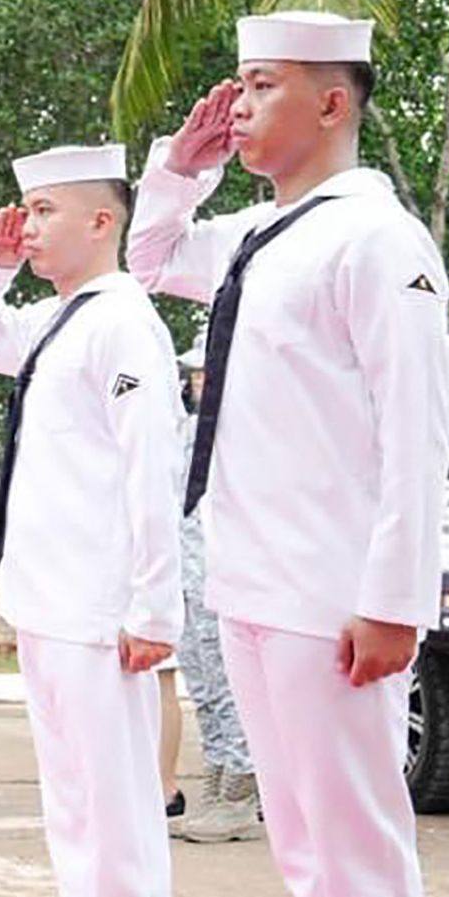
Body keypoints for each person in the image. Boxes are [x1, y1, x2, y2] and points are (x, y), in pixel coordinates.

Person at [130, 10, 449, 897]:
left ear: (335, 103)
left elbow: (416, 432)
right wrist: (181, 164)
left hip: (337, 590)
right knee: (308, 849)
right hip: (258, 579)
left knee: (358, 843)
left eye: (263, 87)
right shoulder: (265, 233)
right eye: (238, 86)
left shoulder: (376, 238)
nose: (241, 104)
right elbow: (153, 258)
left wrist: (394, 597)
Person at [0, 144, 184, 897]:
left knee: (120, 810)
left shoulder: (126, 324)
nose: (31, 224)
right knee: (75, 811)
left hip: (102, 605)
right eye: (26, 210)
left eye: (46, 211)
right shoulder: (57, 322)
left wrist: (153, 602)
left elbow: (151, 471)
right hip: (50, 604)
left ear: (103, 221)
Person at [168, 345, 261, 843]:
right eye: (195, 375)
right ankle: (216, 783)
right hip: (186, 572)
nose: (200, 383)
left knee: (229, 689)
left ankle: (241, 794)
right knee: (203, 688)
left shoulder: (242, 432)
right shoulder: (185, 430)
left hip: (223, 573)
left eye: (208, 373)